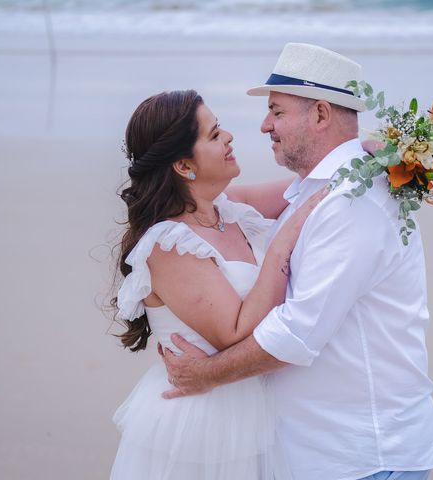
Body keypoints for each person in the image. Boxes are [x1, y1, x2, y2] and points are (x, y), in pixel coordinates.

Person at [161, 43, 433, 480]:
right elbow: (207, 206)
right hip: (322, 452)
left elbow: (298, 332)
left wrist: (206, 375)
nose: (263, 125)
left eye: (276, 111)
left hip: (364, 455)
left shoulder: (352, 200)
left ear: (321, 115)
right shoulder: (314, 191)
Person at [110, 89, 325, 479]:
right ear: (183, 165)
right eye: (213, 135)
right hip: (200, 427)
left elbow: (311, 187)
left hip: (250, 412)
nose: (228, 138)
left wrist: (373, 151)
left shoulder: (227, 208)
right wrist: (280, 248)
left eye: (220, 128)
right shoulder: (169, 242)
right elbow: (236, 332)